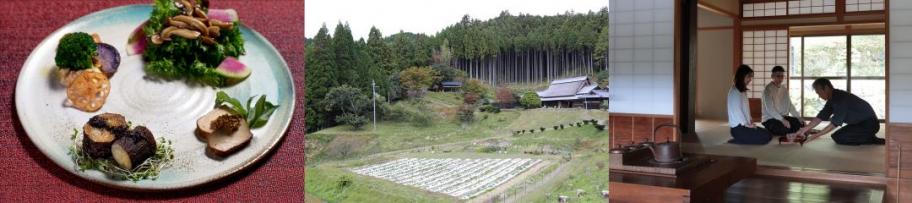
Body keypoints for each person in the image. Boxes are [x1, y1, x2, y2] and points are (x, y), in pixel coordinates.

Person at [792, 78, 885, 145]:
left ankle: (871, 139)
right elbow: (820, 117)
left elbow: (834, 123)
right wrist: (804, 129)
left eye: (819, 92)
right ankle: (867, 137)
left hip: (869, 124)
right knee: (836, 136)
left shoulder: (840, 98)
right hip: (857, 124)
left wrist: (816, 135)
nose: (819, 96)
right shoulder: (831, 99)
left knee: (841, 138)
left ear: (826, 88)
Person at [728, 65, 772, 145]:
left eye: (751, 77)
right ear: (741, 76)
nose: (750, 79)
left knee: (768, 134)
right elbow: (738, 111)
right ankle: (739, 139)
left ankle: (742, 139)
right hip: (738, 128)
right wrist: (747, 124)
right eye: (748, 77)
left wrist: (750, 120)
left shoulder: (742, 91)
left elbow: (745, 109)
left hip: (744, 126)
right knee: (764, 138)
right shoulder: (735, 91)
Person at [761, 66, 805, 136]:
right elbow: (770, 109)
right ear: (772, 76)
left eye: (782, 76)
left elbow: (790, 105)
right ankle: (769, 129)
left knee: (799, 123)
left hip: (782, 117)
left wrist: (798, 117)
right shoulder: (768, 89)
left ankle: (791, 130)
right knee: (785, 128)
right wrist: (782, 120)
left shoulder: (784, 89)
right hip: (770, 119)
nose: (780, 78)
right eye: (778, 76)